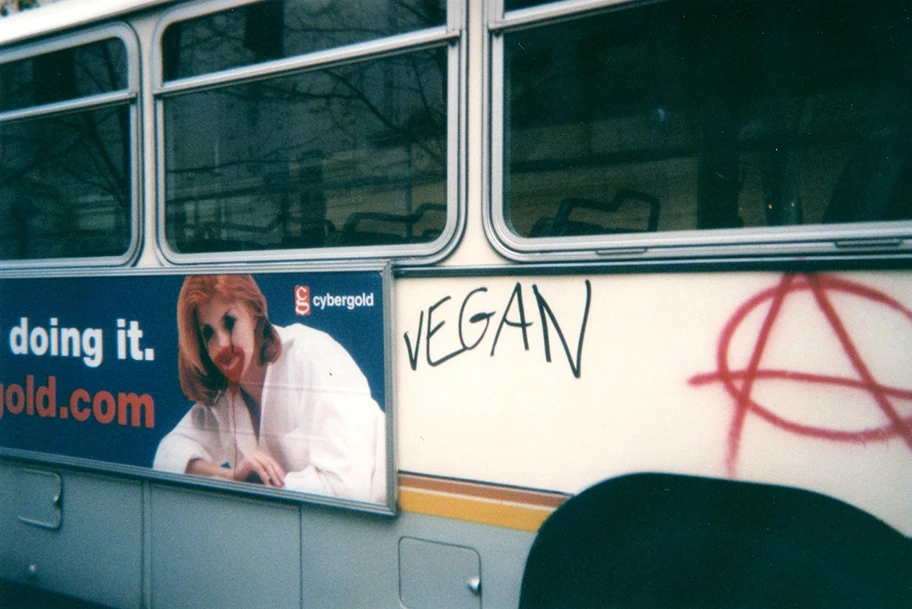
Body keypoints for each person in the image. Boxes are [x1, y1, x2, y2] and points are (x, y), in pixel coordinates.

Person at [153, 274, 386, 503]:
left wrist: (260, 485)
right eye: (208, 333)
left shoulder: (311, 355)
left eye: (230, 323)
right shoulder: (227, 394)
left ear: (254, 314)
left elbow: (350, 491)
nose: (222, 344)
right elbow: (167, 456)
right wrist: (231, 477)